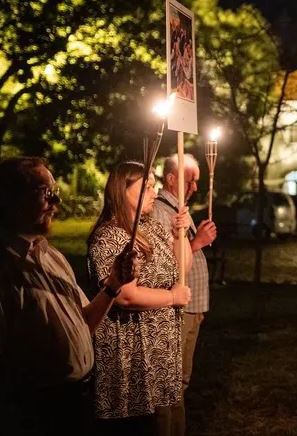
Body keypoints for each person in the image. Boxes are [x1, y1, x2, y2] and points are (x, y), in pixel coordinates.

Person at [0, 157, 136, 434]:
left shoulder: (52, 256)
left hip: (78, 399)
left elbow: (84, 323)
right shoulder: (5, 268)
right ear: (12, 197)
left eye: (55, 192)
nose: (56, 201)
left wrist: (113, 285)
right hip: (36, 411)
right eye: (45, 192)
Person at [88, 161, 191, 434]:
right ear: (122, 190)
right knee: (146, 426)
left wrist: (180, 235)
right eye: (146, 187)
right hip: (134, 352)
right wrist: (171, 298)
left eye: (154, 186)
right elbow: (125, 296)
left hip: (160, 351)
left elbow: (182, 269)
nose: (155, 193)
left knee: (169, 421)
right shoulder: (110, 236)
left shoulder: (151, 227)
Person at [151, 154, 216, 431]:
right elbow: (165, 262)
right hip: (176, 309)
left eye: (197, 181)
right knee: (170, 383)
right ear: (171, 179)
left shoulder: (179, 209)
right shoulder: (161, 211)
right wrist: (197, 242)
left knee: (181, 381)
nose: (195, 187)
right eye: (190, 180)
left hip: (191, 308)